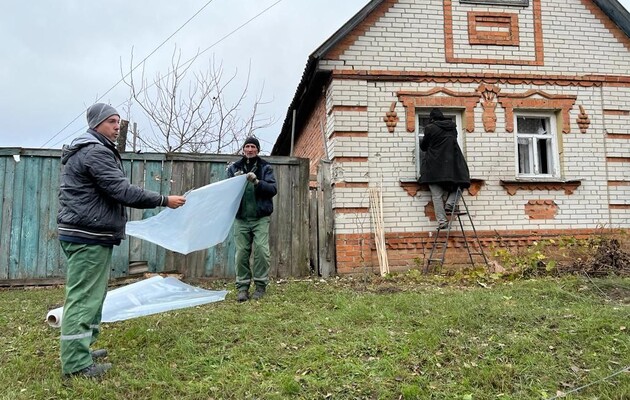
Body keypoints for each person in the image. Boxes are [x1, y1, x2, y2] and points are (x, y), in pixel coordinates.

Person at [57, 103, 186, 378]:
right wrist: (164, 200)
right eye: (111, 122)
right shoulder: (95, 152)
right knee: (83, 298)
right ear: (96, 125)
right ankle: (76, 365)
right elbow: (121, 191)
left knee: (93, 295)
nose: (117, 126)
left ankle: (83, 349)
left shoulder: (91, 150)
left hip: (89, 233)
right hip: (87, 235)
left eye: (118, 121)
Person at [227, 136, 277, 302]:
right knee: (241, 253)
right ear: (243, 149)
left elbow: (272, 189)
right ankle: (242, 288)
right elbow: (227, 191)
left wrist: (257, 182)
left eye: (253, 147)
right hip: (241, 219)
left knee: (262, 251)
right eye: (247, 146)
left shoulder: (265, 167)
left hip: (260, 218)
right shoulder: (234, 168)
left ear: (257, 150)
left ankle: (261, 286)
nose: (249, 149)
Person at [419, 108, 470, 230]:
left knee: (436, 196)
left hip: (433, 168)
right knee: (462, 182)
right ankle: (450, 203)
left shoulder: (429, 128)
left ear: (432, 119)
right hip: (451, 167)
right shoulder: (452, 127)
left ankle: (442, 222)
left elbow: (424, 147)